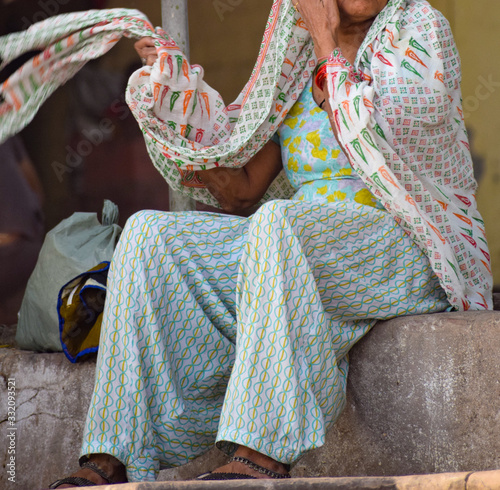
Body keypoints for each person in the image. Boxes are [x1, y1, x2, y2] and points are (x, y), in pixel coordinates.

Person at [43, 0, 492, 487]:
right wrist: (174, 99)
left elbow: (376, 132)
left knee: (280, 223)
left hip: (410, 243)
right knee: (151, 235)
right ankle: (117, 455)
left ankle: (262, 450)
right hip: (306, 244)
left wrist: (325, 41)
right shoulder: (294, 63)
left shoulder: (420, 29)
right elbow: (240, 191)